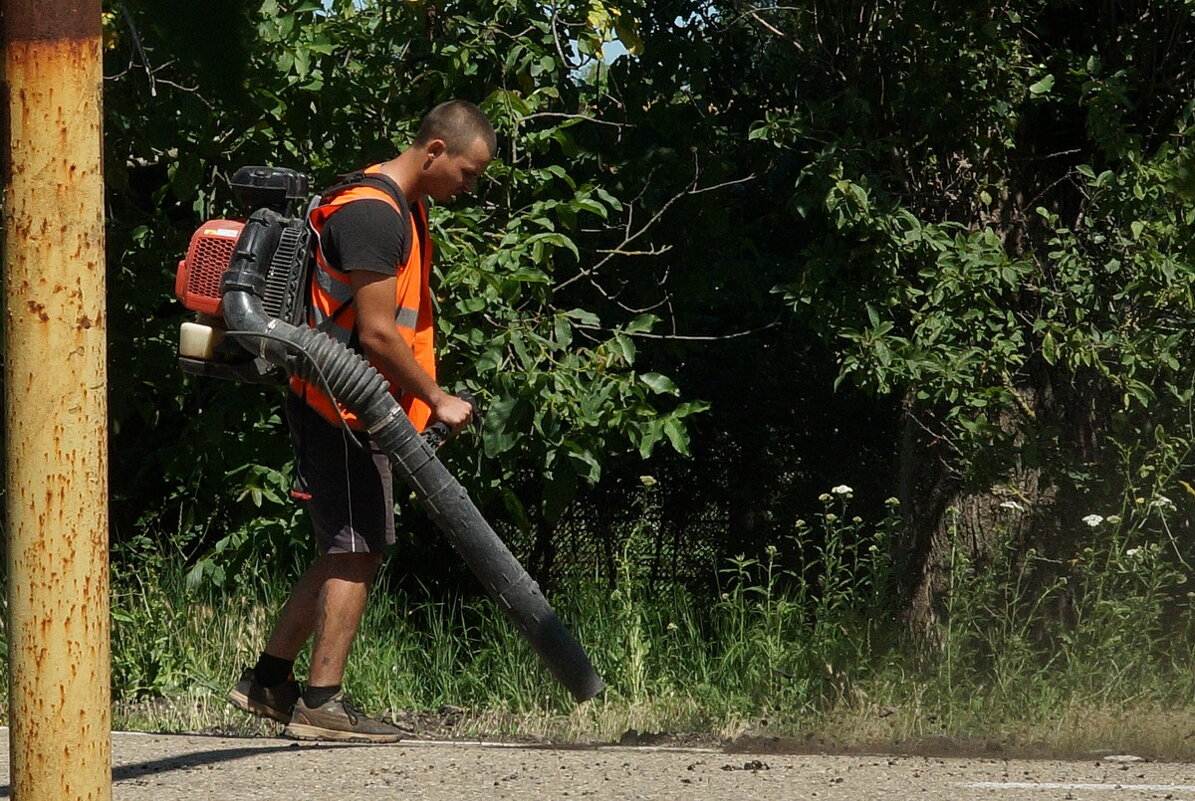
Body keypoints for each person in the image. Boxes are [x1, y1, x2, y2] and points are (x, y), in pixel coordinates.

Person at [227, 100, 496, 742]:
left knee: (344, 546)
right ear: (433, 150)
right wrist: (438, 397)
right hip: (342, 407)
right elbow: (377, 334)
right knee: (358, 548)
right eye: (467, 171)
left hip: (355, 406)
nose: (470, 186)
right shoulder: (376, 215)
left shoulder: (394, 205)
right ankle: (322, 705)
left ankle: (268, 681)